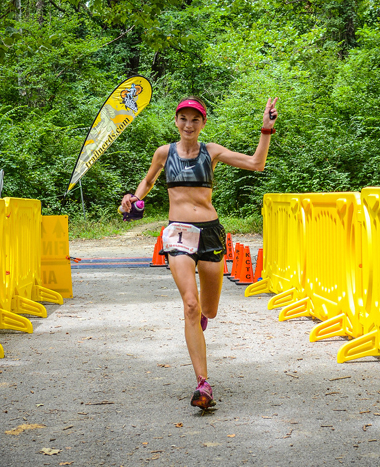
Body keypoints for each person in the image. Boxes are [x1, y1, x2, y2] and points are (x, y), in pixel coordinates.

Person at [121, 96, 278, 409]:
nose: (188, 125)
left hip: (210, 234)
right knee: (190, 305)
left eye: (195, 120)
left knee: (209, 309)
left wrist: (266, 130)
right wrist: (133, 197)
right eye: (183, 119)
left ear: (203, 123)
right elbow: (149, 180)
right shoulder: (164, 153)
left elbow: (256, 164)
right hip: (178, 233)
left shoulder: (212, 151)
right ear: (176, 122)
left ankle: (202, 319)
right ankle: (203, 384)